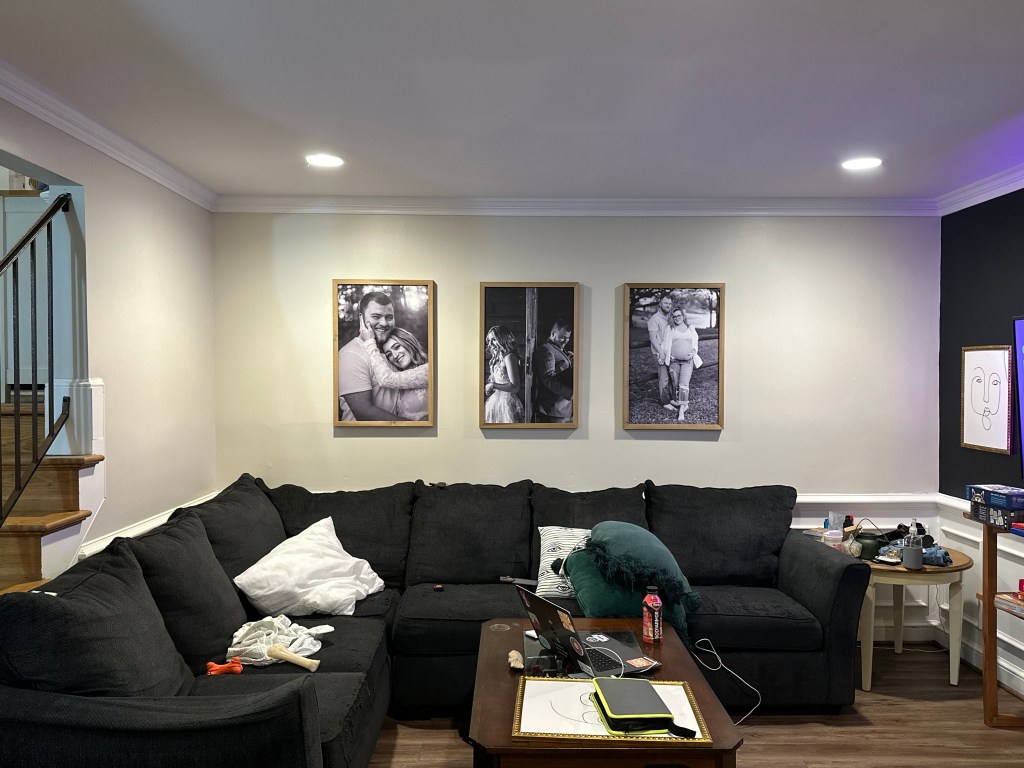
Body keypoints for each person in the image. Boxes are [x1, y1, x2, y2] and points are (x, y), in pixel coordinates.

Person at [338, 291, 407, 421]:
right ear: (362, 318)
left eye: (389, 317)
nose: (384, 323)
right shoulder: (351, 354)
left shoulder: (393, 351)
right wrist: (413, 426)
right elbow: (364, 412)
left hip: (394, 433)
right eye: (376, 316)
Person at [360, 326, 429, 421]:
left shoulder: (429, 369)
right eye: (389, 354)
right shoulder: (398, 385)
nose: (395, 355)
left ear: (408, 342)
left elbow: (386, 379)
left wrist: (370, 343)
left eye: (396, 347)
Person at [660, 307, 699, 422]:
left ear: (683, 316)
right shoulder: (670, 328)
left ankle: (681, 410)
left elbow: (695, 343)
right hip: (674, 361)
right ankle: (683, 403)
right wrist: (668, 356)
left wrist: (693, 352)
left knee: (684, 384)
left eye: (679, 315)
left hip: (687, 361)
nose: (677, 318)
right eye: (674, 316)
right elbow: (664, 344)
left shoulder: (690, 328)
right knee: (676, 384)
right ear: (672, 318)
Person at [533, 318, 573, 423]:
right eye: (562, 337)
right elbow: (548, 379)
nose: (565, 341)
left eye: (568, 338)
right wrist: (572, 394)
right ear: (553, 333)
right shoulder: (546, 350)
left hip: (562, 409)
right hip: (553, 409)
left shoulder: (560, 349)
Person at [484, 325, 524, 423]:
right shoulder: (499, 358)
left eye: (494, 340)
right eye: (489, 341)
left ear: (502, 339)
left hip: (507, 403)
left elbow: (515, 387)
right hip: (496, 401)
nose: (490, 344)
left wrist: (493, 385)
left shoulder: (510, 357)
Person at [647, 294, 675, 411]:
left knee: (672, 375)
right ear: (660, 304)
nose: (668, 305)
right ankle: (665, 402)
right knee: (664, 377)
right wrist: (661, 353)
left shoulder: (670, 317)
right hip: (659, 352)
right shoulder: (654, 319)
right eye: (665, 303)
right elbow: (653, 338)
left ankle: (672, 398)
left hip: (669, 351)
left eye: (670, 303)